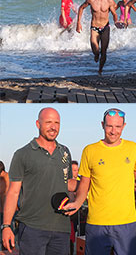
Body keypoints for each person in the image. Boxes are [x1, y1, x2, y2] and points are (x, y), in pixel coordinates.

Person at [64, 108, 136, 255]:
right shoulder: (89, 150)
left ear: (124, 126)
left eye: (118, 127)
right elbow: (84, 184)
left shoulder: (133, 148)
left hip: (126, 223)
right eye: (109, 126)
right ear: (102, 125)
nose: (113, 131)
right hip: (96, 223)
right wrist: (78, 203)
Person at [2, 107, 76, 254]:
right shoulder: (22, 154)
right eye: (48, 122)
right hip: (32, 228)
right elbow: (13, 192)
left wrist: (89, 181)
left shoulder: (65, 152)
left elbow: (68, 183)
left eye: (57, 123)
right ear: (38, 124)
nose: (53, 127)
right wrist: (6, 226)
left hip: (61, 229)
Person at [76, 0, 118, 75]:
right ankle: (96, 54)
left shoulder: (109, 0)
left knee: (104, 51)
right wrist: (78, 23)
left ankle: (100, 70)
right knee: (95, 48)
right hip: (94, 27)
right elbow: (81, 8)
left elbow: (114, 13)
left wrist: (116, 21)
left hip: (105, 27)